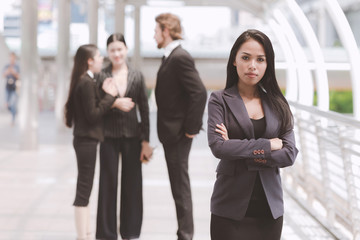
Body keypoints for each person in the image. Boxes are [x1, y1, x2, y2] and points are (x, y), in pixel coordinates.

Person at [207, 29, 299, 240]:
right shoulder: (219, 100)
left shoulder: (278, 103)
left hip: (269, 210)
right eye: (246, 58)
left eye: (260, 59)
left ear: (268, 65)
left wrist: (237, 148)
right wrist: (268, 145)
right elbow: (219, 147)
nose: (252, 66)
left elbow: (289, 154)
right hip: (229, 208)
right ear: (234, 61)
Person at [154, 13, 207, 240]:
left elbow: (199, 92)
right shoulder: (170, 56)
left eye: (156, 30)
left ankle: (185, 235)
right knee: (177, 186)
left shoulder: (179, 57)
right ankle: (183, 233)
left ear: (166, 31)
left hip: (177, 134)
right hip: (172, 133)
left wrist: (190, 128)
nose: (154, 35)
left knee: (180, 187)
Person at [95, 33, 152, 240]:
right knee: (107, 185)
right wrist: (114, 102)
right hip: (107, 137)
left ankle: (130, 232)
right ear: (107, 53)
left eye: (120, 49)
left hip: (132, 137)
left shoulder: (137, 76)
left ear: (126, 50)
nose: (116, 54)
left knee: (132, 186)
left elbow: (144, 111)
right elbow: (95, 107)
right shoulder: (101, 76)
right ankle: (106, 234)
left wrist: (146, 141)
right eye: (112, 50)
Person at [64, 44, 118, 240]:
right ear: (89, 60)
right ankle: (82, 236)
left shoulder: (85, 80)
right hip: (86, 140)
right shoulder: (86, 82)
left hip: (85, 140)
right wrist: (110, 97)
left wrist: (103, 95)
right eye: (98, 56)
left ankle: (85, 233)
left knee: (84, 186)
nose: (101, 59)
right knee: (84, 188)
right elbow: (93, 114)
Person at [3, 52, 20, 125]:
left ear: (14, 58)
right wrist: (8, 71)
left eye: (13, 57)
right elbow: (3, 75)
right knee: (7, 104)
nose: (11, 59)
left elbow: (18, 76)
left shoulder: (16, 67)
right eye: (10, 57)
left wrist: (13, 72)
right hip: (7, 87)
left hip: (14, 87)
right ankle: (14, 111)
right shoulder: (7, 66)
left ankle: (13, 120)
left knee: (13, 104)